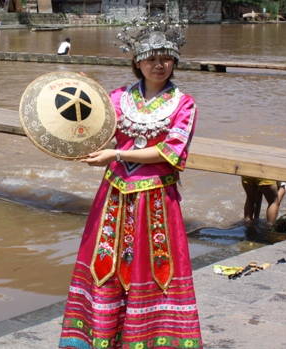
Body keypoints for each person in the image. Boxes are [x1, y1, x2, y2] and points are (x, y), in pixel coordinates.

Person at [60, 20, 203, 349]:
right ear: (137, 62)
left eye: (166, 58)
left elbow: (171, 151)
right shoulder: (117, 97)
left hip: (155, 201)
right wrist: (84, 96)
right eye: (151, 58)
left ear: (174, 63)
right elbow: (93, 129)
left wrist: (116, 154)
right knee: (106, 269)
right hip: (113, 199)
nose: (158, 65)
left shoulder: (184, 104)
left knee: (153, 272)